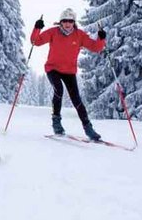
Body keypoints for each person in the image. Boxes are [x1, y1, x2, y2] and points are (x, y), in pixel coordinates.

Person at [30, 8, 107, 141]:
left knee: (76, 99)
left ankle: (89, 129)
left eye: (70, 21)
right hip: (52, 68)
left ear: (73, 22)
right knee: (58, 89)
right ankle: (56, 123)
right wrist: (37, 28)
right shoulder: (53, 32)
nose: (67, 24)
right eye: (64, 21)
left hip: (69, 72)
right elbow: (35, 41)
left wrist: (101, 38)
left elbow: (96, 47)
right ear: (60, 22)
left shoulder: (79, 35)